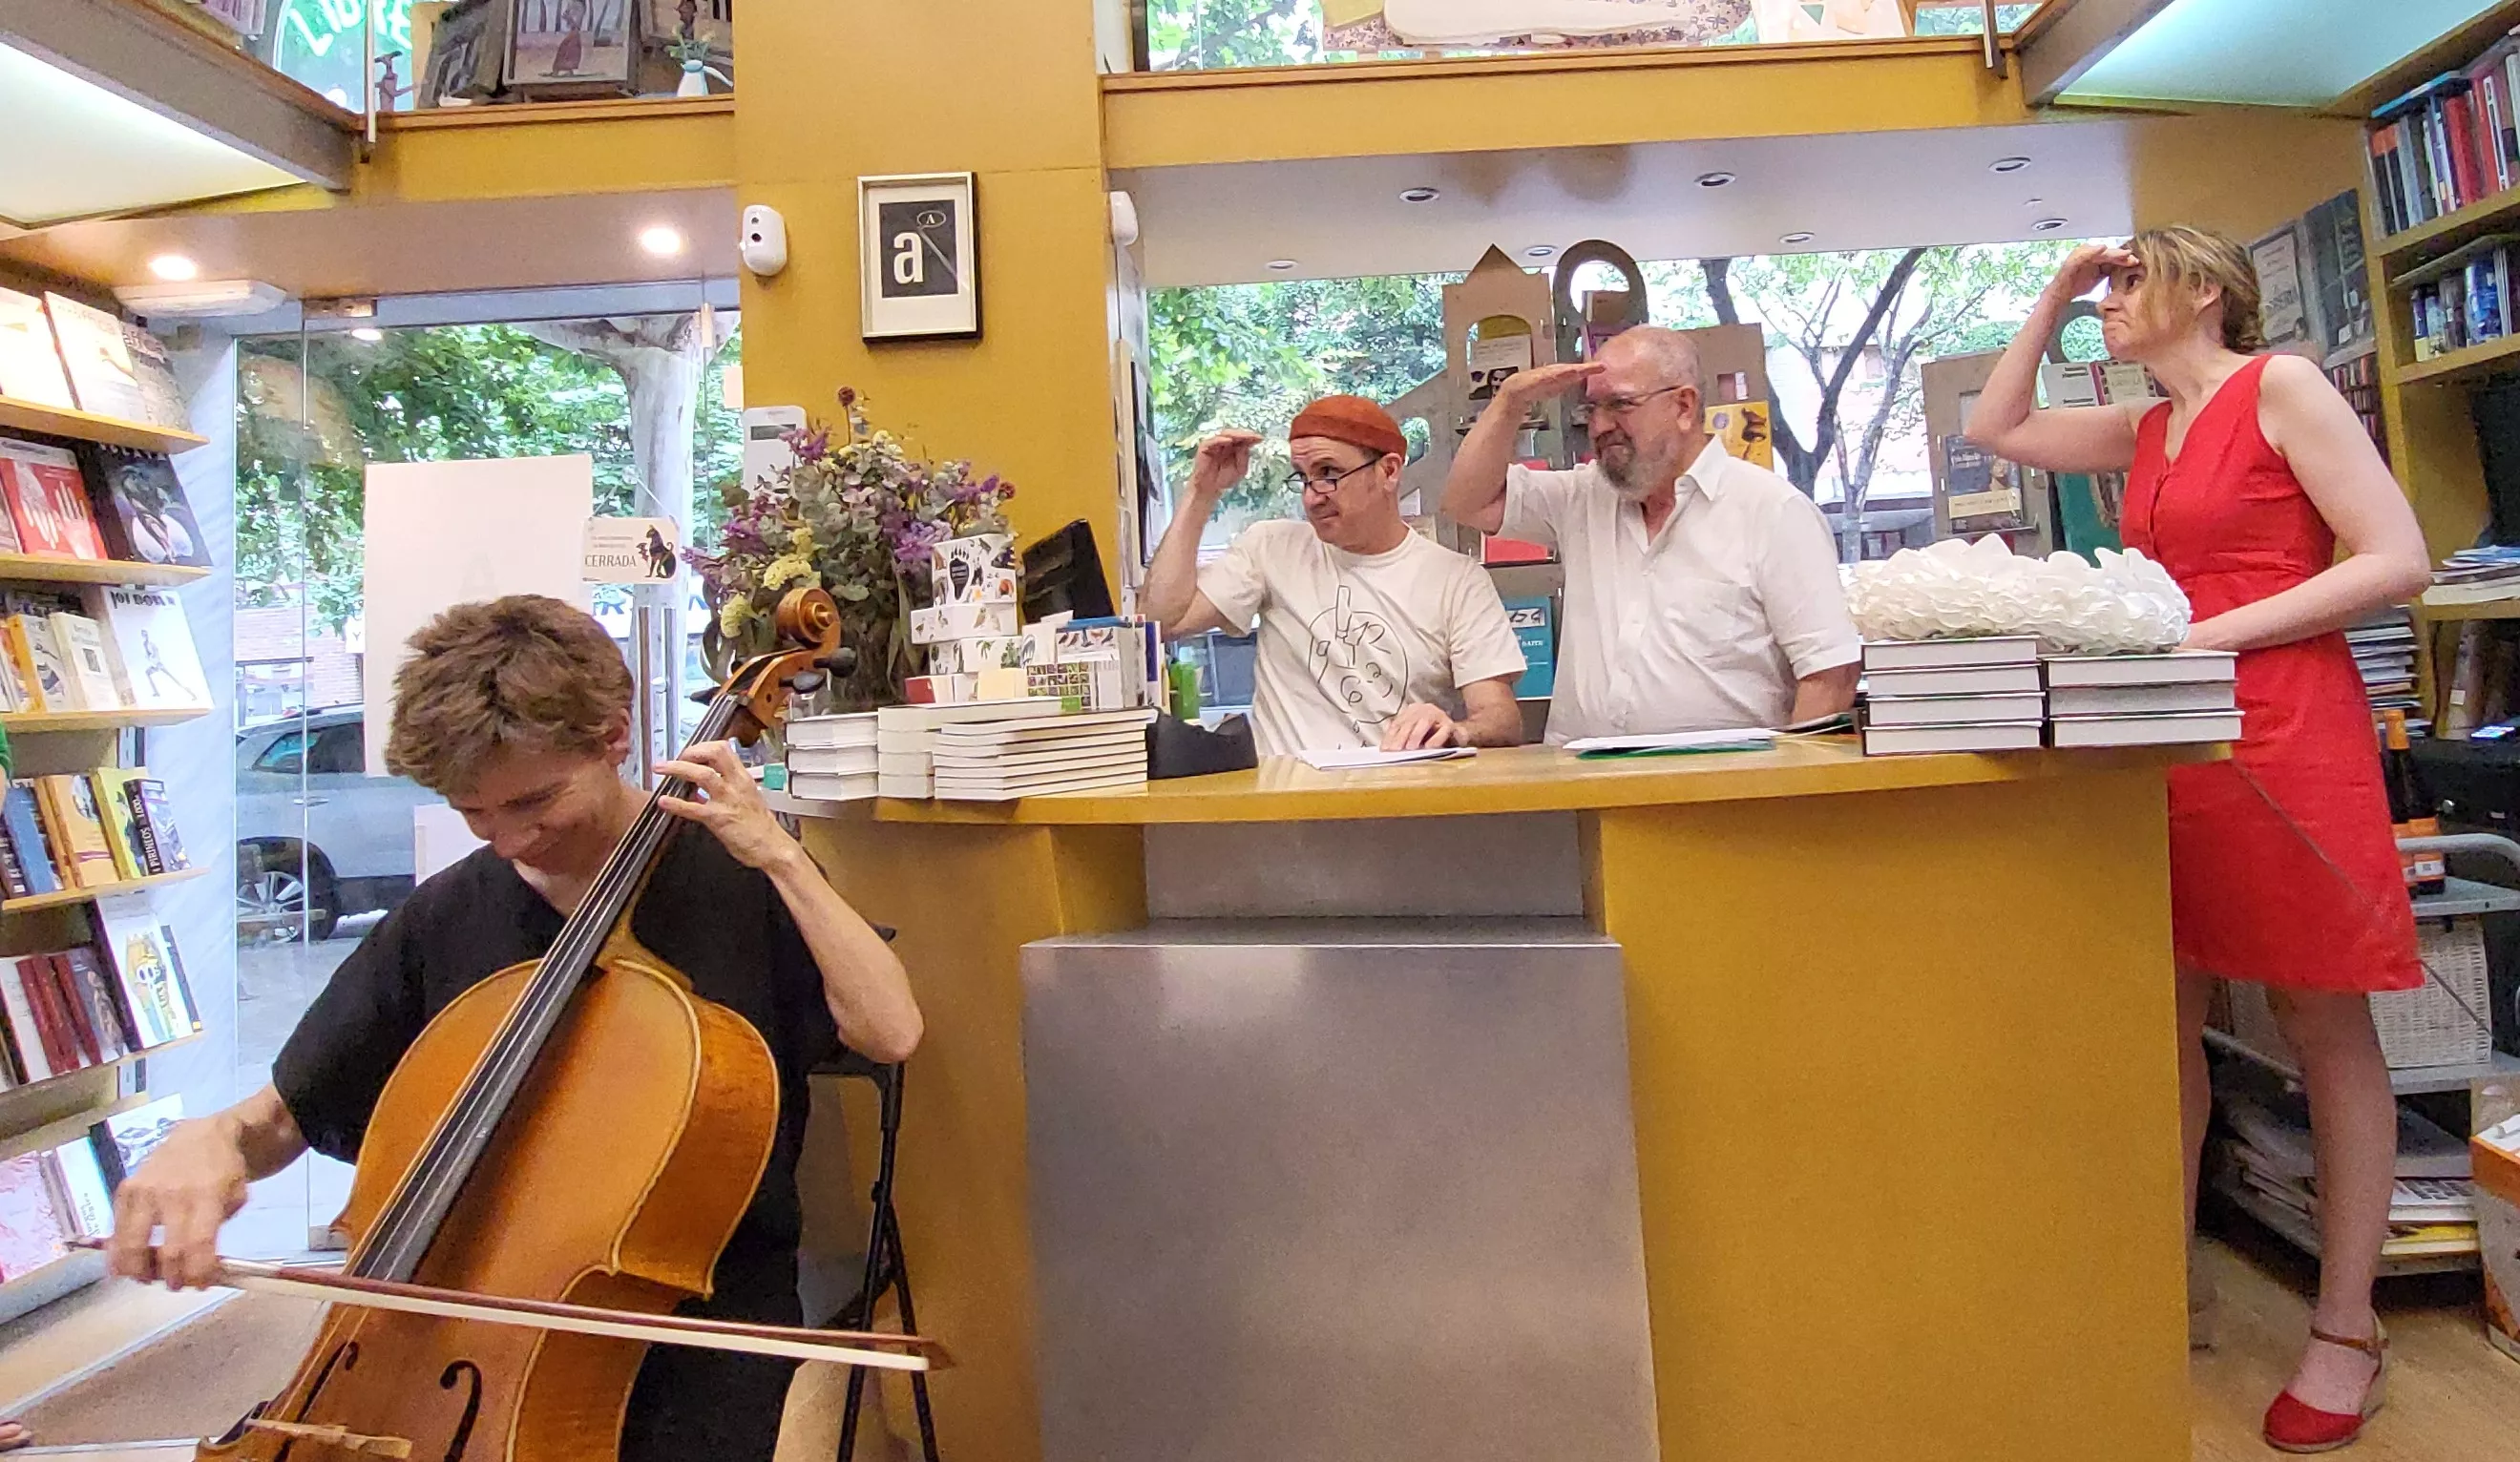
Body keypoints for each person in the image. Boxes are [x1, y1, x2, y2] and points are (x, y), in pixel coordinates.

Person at [104, 595, 924, 1462]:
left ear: (613, 737)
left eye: (534, 800)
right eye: (473, 813)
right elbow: (284, 1116)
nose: (506, 840)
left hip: (695, 1340)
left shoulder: (735, 874)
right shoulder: (445, 916)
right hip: (456, 1341)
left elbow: (892, 1031)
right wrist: (214, 1141)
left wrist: (783, 857)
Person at [1966, 226, 2432, 1453]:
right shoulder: (2150, 425)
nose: (2110, 301)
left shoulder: (2281, 387)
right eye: (2107, 283)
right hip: (2171, 740)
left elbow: (2399, 557)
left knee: (2320, 1015)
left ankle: (2348, 1328)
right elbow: (1998, 426)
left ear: (2209, 292)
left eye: (2130, 280)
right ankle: (2162, 1284)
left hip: (2287, 727)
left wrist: (2207, 635)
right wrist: (2054, 289)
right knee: (2164, 1008)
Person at [1440, 326, 1860, 741]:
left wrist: (1788, 778)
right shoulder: (1583, 497)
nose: (1600, 426)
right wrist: (1511, 402)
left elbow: (1830, 674)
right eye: (1592, 409)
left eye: (1621, 404)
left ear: (1683, 406)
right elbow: (1467, 502)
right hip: (1581, 776)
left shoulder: (1771, 510)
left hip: (1726, 777)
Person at [1143, 394, 1527, 757]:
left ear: (1389, 471)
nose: (1312, 496)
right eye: (1303, 477)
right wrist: (1201, 493)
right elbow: (1161, 623)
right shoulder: (1271, 548)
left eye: (1329, 473)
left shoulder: (1456, 580)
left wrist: (1454, 731)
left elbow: (1501, 720)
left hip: (1400, 792)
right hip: (1286, 795)